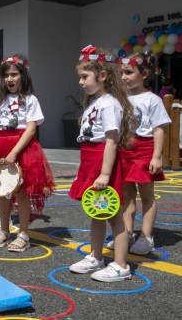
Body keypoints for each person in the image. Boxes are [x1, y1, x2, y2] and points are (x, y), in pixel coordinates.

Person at [68, 45, 135, 282]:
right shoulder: (95, 102)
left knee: (114, 214)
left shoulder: (108, 103)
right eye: (80, 77)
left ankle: (121, 265)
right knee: (96, 212)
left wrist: (105, 173)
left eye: (85, 76)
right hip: (91, 160)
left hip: (102, 162)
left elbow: (111, 140)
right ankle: (96, 256)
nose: (81, 82)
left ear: (103, 75)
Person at [0, 56, 55, 251]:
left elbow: (30, 129)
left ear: (23, 75)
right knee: (2, 191)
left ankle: (23, 234)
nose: (10, 79)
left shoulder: (30, 100)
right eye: (6, 75)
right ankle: (4, 230)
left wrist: (13, 153)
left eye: (14, 74)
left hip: (21, 148)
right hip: (0, 147)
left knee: (21, 193)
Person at [111, 51, 170, 255]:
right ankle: (127, 233)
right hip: (124, 150)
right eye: (121, 73)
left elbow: (159, 129)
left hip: (144, 150)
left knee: (147, 196)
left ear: (144, 74)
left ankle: (146, 237)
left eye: (128, 72)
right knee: (126, 196)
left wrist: (156, 156)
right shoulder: (119, 99)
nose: (123, 77)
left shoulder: (153, 99)